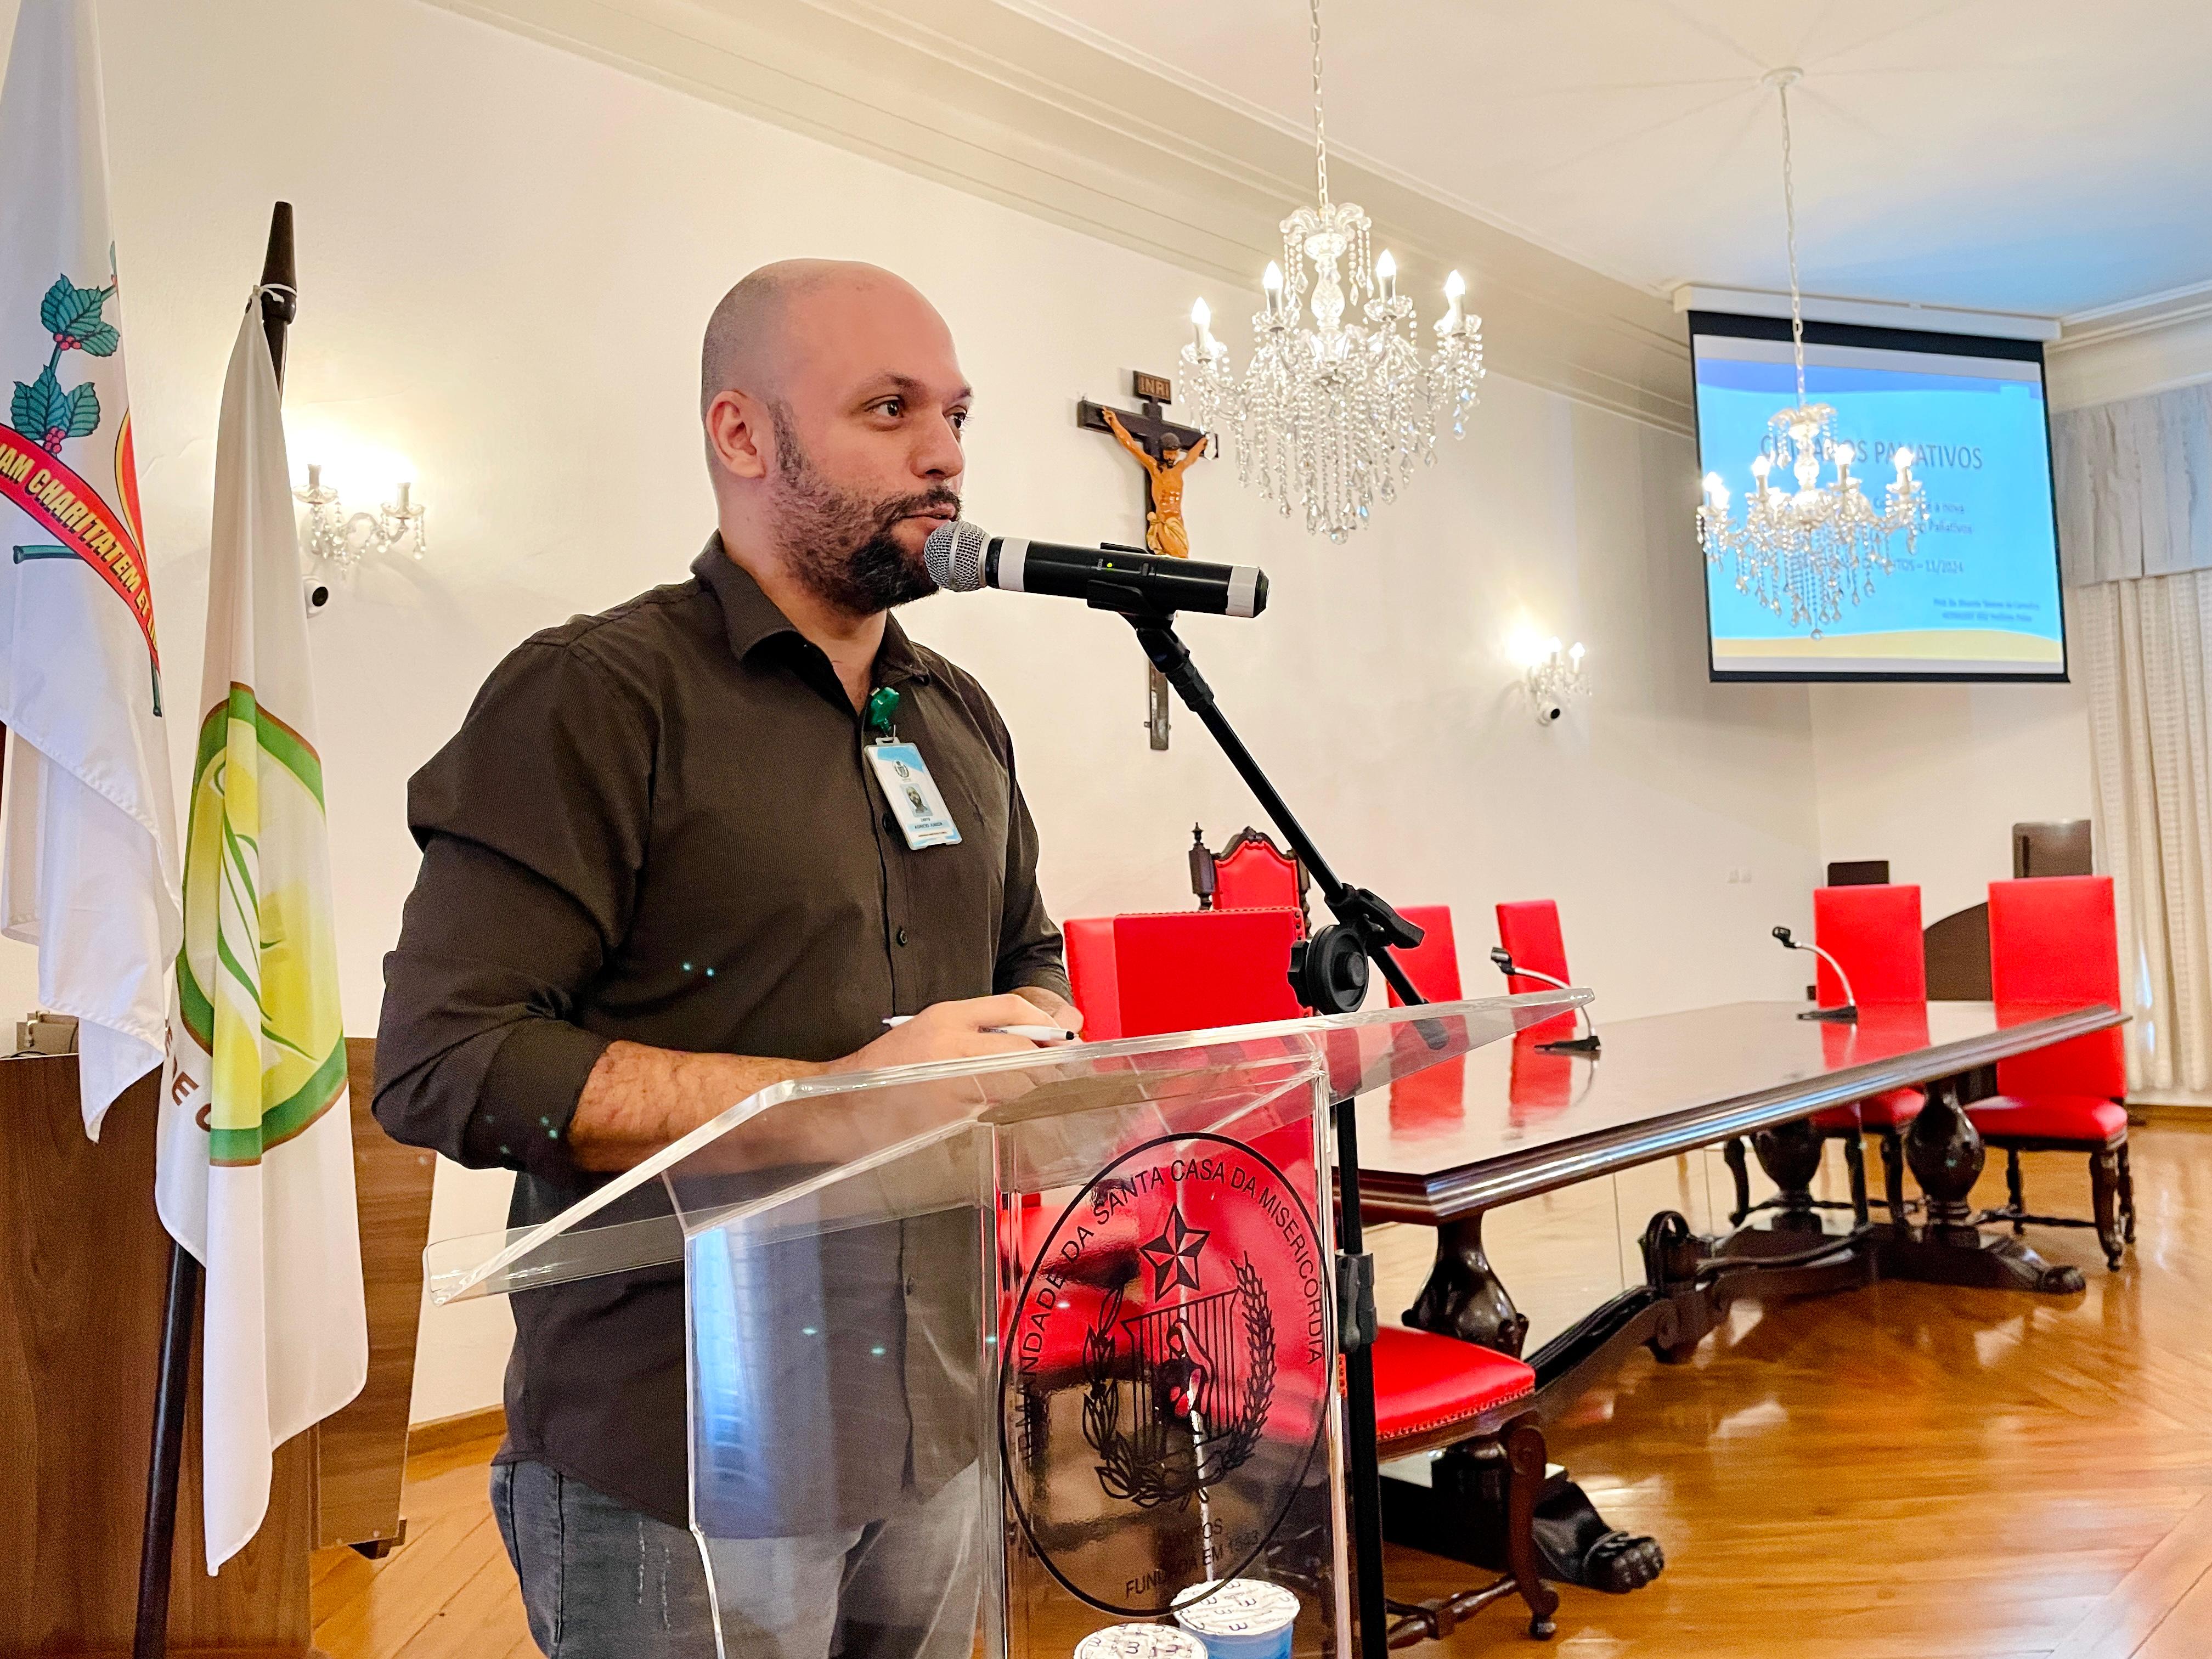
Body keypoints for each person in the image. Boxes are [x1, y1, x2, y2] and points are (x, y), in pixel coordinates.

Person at [373, 259, 1080, 1659]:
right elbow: (446, 1061)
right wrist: (834, 1101)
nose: (944, 455)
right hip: (680, 1456)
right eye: (889, 409)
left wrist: (1037, 1040)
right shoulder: (595, 697)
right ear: (743, 434)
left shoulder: (956, 716)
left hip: (939, 1420)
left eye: (955, 415)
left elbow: (1029, 951)